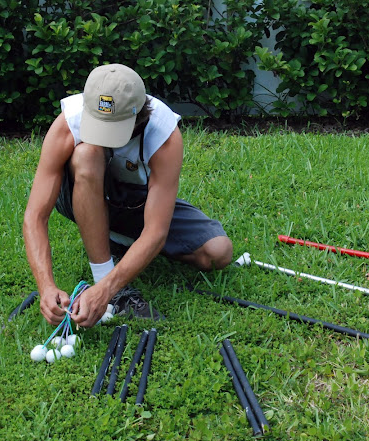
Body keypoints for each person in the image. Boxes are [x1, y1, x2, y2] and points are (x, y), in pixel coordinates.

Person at [23, 63, 233, 329]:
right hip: (79, 193)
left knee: (218, 252)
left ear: (139, 116)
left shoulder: (164, 133)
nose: (104, 138)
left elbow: (156, 231)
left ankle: (118, 243)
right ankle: (106, 273)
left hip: (137, 202)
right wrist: (46, 285)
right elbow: (35, 215)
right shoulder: (70, 120)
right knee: (87, 154)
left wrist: (104, 292)